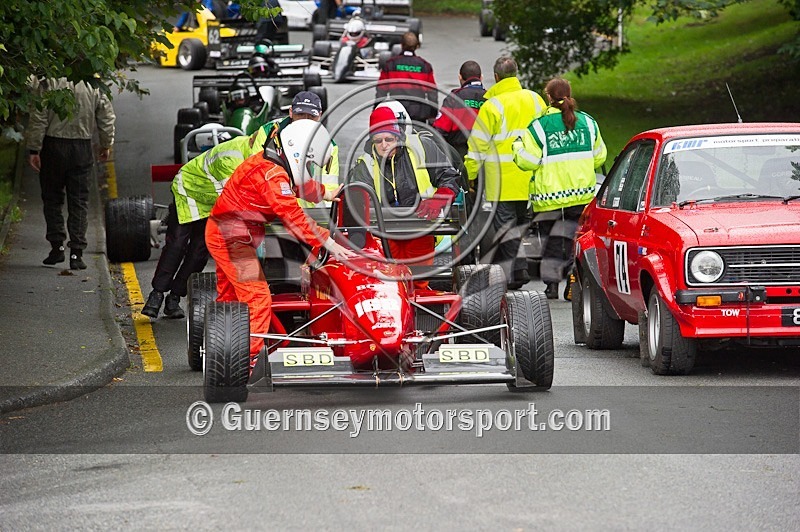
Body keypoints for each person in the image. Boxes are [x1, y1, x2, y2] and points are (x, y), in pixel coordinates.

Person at [205, 120, 350, 366]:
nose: (308, 167)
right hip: (232, 239)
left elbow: (297, 185)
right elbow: (293, 216)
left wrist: (325, 192)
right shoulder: (272, 175)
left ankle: (223, 350)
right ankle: (247, 362)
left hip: (232, 233)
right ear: (297, 153)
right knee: (258, 297)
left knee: (230, 301)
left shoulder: (274, 165)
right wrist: (330, 242)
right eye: (308, 162)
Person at [141, 125, 257, 319]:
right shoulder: (233, 156)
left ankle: (175, 298)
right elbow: (236, 198)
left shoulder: (255, 158)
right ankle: (157, 294)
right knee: (177, 243)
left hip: (214, 200)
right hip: (190, 192)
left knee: (199, 251)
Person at [513, 77, 607, 300]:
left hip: (549, 196)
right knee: (575, 239)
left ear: (548, 97)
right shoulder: (588, 123)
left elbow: (529, 161)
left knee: (550, 240)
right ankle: (573, 282)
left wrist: (517, 146)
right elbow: (599, 157)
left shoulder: (538, 127)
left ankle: (552, 285)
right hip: (581, 193)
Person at [348, 105, 460, 289]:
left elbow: (449, 176)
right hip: (384, 232)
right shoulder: (365, 164)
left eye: (389, 139)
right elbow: (357, 199)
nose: (384, 145)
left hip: (421, 226)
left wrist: (440, 198)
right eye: (378, 141)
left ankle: (421, 311)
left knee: (417, 283)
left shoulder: (423, 147)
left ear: (398, 136)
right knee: (389, 283)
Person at [464, 56, 546, 289]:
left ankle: (515, 272)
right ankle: (517, 269)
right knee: (519, 225)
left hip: (501, 181)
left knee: (505, 227)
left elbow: (477, 146)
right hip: (530, 177)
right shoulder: (535, 99)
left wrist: (470, 174)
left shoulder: (492, 106)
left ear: (496, 77)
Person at [27, 78, 116, 270]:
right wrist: (106, 143)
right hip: (82, 147)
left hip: (53, 146)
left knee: (52, 199)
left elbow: (38, 116)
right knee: (79, 202)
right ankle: (76, 252)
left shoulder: (48, 82)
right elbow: (106, 116)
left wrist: (34, 149)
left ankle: (57, 246)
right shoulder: (94, 83)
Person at [375, 32, 437, 124]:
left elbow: (382, 90)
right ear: (417, 46)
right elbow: (432, 92)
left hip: (396, 110)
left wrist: (376, 109)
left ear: (401, 45)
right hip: (418, 112)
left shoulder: (390, 64)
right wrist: (433, 115)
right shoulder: (425, 66)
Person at [432, 60, 486, 162]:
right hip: (485, 155)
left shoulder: (454, 98)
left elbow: (439, 130)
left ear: (460, 77)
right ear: (481, 77)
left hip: (459, 154)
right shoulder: (490, 98)